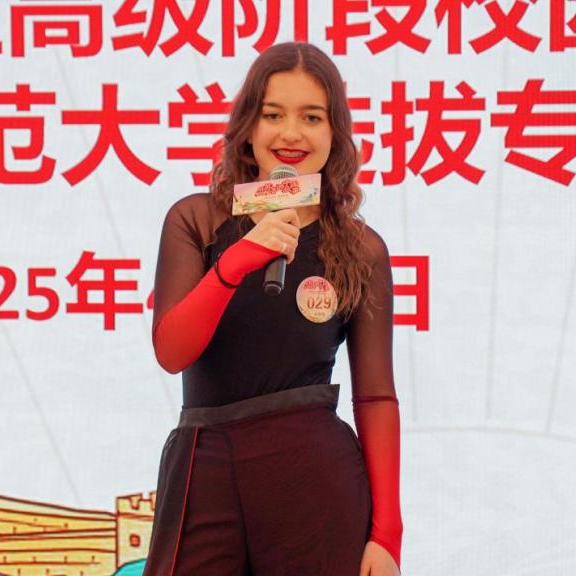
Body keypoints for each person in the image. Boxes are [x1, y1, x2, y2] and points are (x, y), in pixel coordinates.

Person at [144, 42, 402, 576]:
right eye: (273, 115)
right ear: (248, 127)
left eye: (312, 117)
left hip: (313, 476)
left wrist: (387, 536)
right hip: (205, 469)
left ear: (335, 133)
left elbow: (376, 397)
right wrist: (235, 263)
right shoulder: (197, 220)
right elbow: (172, 351)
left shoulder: (361, 249)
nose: (291, 133)